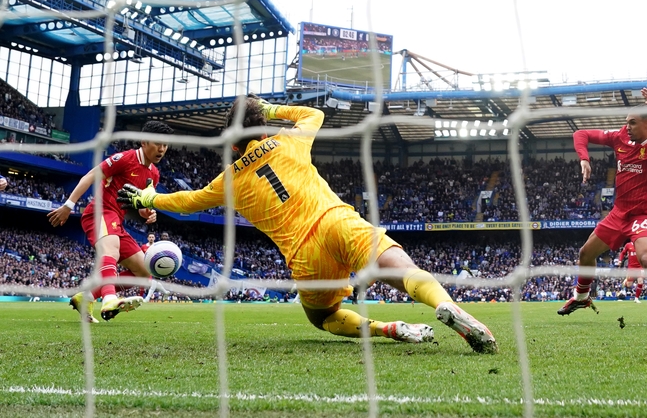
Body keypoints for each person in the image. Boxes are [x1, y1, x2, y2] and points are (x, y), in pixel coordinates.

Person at [118, 95, 497, 353]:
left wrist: (147, 199)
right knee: (405, 270)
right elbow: (314, 115)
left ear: (233, 143)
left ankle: (388, 329)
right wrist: (268, 108)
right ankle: (447, 306)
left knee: (323, 318)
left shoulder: (229, 180)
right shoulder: (288, 141)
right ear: (262, 128)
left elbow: (186, 202)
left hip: (305, 255)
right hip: (337, 221)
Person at [557, 88, 647, 328]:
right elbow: (581, 134)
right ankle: (581, 298)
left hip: (642, 214)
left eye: (632, 123)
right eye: (626, 122)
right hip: (618, 213)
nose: (627, 127)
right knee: (585, 254)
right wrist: (584, 158)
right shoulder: (620, 137)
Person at [48, 121, 174, 322]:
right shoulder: (124, 159)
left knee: (144, 272)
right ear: (144, 141)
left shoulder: (154, 175)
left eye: (166, 145)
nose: (162, 149)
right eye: (158, 143)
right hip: (100, 212)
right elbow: (90, 176)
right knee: (111, 252)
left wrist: (147, 213)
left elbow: (140, 206)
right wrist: (68, 205)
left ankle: (88, 297)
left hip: (117, 221)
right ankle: (109, 298)